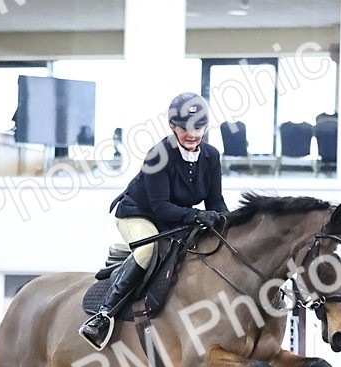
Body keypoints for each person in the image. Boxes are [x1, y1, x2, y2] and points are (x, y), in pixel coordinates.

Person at [79, 92, 229, 350]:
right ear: (172, 127)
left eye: (199, 128)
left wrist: (229, 225)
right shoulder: (158, 154)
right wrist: (196, 215)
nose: (192, 134)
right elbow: (160, 208)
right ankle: (103, 316)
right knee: (148, 249)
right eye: (184, 128)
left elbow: (215, 200)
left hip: (177, 219)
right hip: (138, 214)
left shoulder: (211, 155)